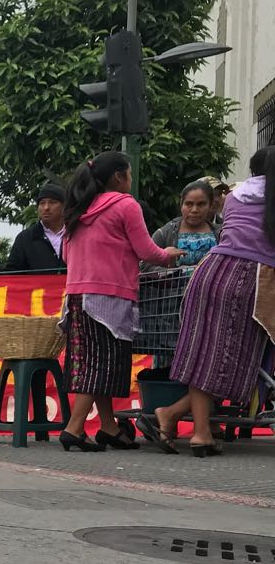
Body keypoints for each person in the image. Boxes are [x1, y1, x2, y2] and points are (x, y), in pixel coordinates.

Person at [139, 148, 275, 456]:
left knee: (206, 357)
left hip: (210, 273)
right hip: (251, 281)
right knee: (240, 362)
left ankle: (193, 428)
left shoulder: (237, 196)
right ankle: (182, 421)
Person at [57, 151, 180, 452]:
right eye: (130, 174)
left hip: (76, 295)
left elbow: (64, 253)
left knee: (96, 362)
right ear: (119, 176)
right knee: (103, 365)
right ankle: (74, 429)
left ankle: (110, 427)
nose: (131, 180)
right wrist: (168, 256)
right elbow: (146, 249)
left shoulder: (79, 208)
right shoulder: (125, 204)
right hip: (109, 295)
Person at [150, 181, 219, 267]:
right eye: (189, 204)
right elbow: (145, 265)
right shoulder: (164, 234)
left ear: (210, 206)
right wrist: (169, 270)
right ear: (181, 205)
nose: (194, 210)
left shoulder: (221, 234)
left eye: (201, 204)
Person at [6, 183, 67, 273]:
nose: (46, 207)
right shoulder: (25, 238)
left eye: (52, 202)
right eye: (42, 203)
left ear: (64, 206)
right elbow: (11, 273)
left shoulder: (77, 234)